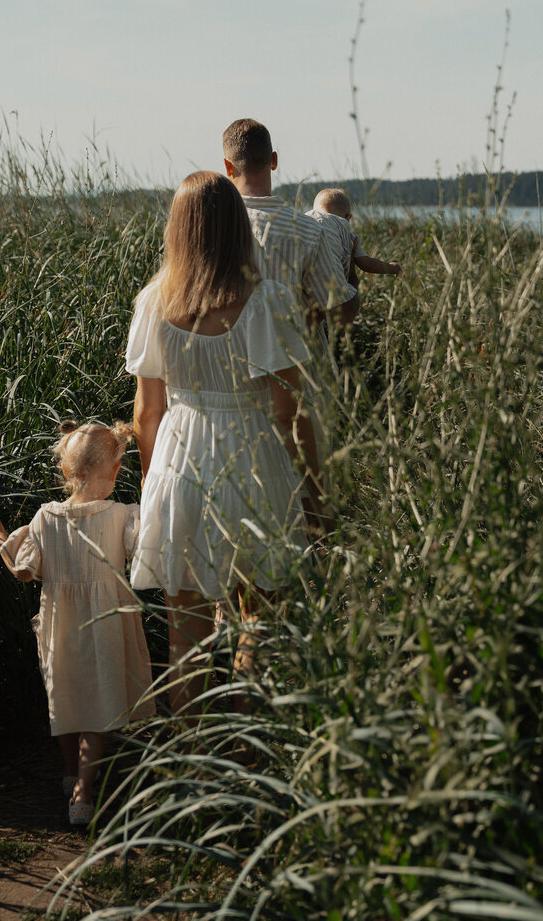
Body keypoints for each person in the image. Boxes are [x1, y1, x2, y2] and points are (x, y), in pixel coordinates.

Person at [126, 171, 325, 719]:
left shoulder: (153, 304)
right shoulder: (268, 303)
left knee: (183, 636)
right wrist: (315, 494)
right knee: (256, 624)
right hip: (252, 464)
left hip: (178, 463)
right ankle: (247, 762)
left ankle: (188, 763)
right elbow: (290, 413)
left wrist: (151, 487)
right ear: (239, 228)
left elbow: (148, 413)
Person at [0, 420, 155, 827]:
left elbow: (24, 571)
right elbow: (149, 543)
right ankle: (83, 793)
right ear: (117, 472)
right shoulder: (123, 514)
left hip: (61, 626)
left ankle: (71, 775)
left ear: (66, 472)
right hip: (105, 624)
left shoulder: (45, 517)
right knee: (98, 707)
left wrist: (2, 539)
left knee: (68, 701)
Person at [222, 118, 359, 330]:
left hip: (231, 360)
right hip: (301, 360)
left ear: (228, 167)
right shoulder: (308, 230)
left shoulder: (214, 226)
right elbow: (343, 315)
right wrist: (351, 265)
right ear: (274, 160)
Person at [307, 187, 402, 279]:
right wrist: (392, 267)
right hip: (331, 284)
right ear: (349, 217)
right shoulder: (350, 238)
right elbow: (367, 264)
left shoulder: (306, 221)